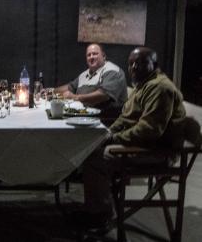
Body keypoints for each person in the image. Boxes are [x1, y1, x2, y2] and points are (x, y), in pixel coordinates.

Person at [77, 47, 186, 228]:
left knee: (95, 157)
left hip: (158, 151)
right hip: (144, 144)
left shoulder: (160, 88)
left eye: (141, 63)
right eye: (131, 64)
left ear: (154, 65)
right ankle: (98, 205)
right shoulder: (143, 85)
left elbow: (148, 130)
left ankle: (99, 214)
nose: (134, 67)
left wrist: (112, 139)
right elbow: (125, 118)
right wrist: (108, 133)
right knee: (91, 148)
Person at [54, 43, 127, 116]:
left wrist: (75, 97)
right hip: (84, 115)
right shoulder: (84, 74)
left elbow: (103, 95)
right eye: (89, 55)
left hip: (105, 120)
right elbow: (70, 87)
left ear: (104, 56)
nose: (91, 57)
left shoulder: (112, 71)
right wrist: (51, 91)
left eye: (95, 54)